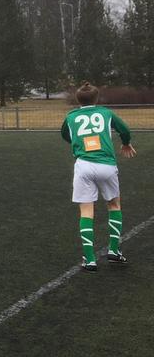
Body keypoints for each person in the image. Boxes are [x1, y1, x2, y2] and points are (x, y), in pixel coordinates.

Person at [61, 81, 137, 271]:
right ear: (96, 98)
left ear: (78, 99)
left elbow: (65, 135)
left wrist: (78, 141)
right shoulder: (105, 112)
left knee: (86, 211)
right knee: (114, 204)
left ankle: (90, 259)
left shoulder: (71, 116)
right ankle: (113, 251)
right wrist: (126, 143)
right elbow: (125, 130)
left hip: (84, 165)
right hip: (107, 165)